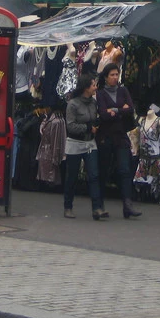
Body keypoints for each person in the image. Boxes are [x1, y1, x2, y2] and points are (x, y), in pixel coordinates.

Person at [96, 62, 141, 219]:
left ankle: (127, 205)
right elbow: (103, 114)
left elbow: (131, 109)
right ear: (106, 77)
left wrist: (115, 111)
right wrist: (121, 110)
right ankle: (99, 205)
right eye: (112, 75)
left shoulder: (123, 90)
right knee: (103, 170)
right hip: (105, 136)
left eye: (117, 74)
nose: (115, 77)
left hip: (121, 136)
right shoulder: (101, 93)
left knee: (124, 169)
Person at [64, 73, 107, 220]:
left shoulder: (94, 103)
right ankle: (68, 206)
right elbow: (70, 126)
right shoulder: (73, 104)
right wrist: (88, 128)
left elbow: (95, 118)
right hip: (75, 143)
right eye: (93, 85)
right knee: (72, 176)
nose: (96, 87)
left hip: (90, 143)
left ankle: (97, 208)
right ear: (86, 87)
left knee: (94, 175)